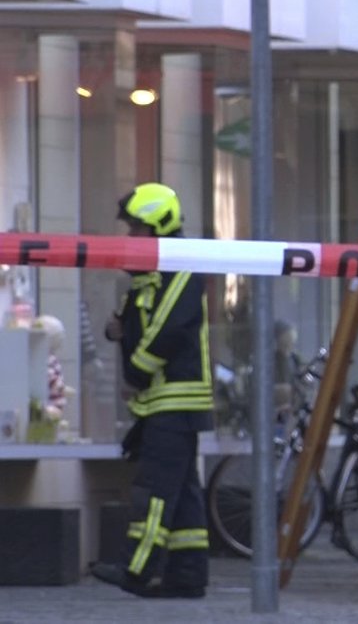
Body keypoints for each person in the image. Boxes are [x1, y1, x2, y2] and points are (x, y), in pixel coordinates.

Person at [92, 182, 213, 599]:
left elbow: (171, 328)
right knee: (182, 495)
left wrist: (136, 374)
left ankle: (136, 569)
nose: (129, 240)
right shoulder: (154, 276)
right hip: (163, 402)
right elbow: (145, 322)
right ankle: (187, 575)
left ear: (159, 228)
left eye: (136, 230)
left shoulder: (180, 267)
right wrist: (118, 330)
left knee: (156, 489)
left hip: (173, 400)